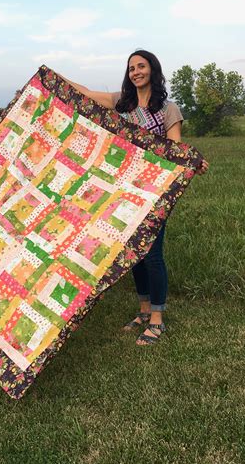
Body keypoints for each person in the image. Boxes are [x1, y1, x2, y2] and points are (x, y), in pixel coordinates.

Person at [60, 49, 209, 346]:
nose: (136, 72)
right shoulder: (122, 103)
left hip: (156, 191)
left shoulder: (168, 109)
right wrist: (51, 75)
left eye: (141, 66)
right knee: (135, 256)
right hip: (125, 192)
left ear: (153, 70)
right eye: (131, 68)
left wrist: (192, 161)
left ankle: (157, 318)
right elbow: (86, 93)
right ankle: (142, 311)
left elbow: (174, 148)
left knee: (152, 255)